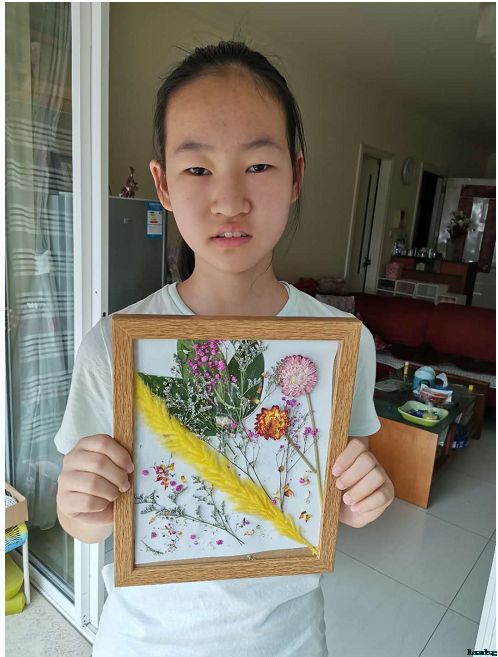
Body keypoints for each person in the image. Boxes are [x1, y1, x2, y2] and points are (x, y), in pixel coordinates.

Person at [55, 40, 394, 657]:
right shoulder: (112, 346)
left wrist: (360, 498)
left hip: (290, 641)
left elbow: (339, 489)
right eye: (198, 169)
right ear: (162, 183)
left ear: (296, 176)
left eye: (259, 166)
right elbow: (85, 522)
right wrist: (79, 504)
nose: (230, 200)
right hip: (142, 643)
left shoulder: (342, 345)